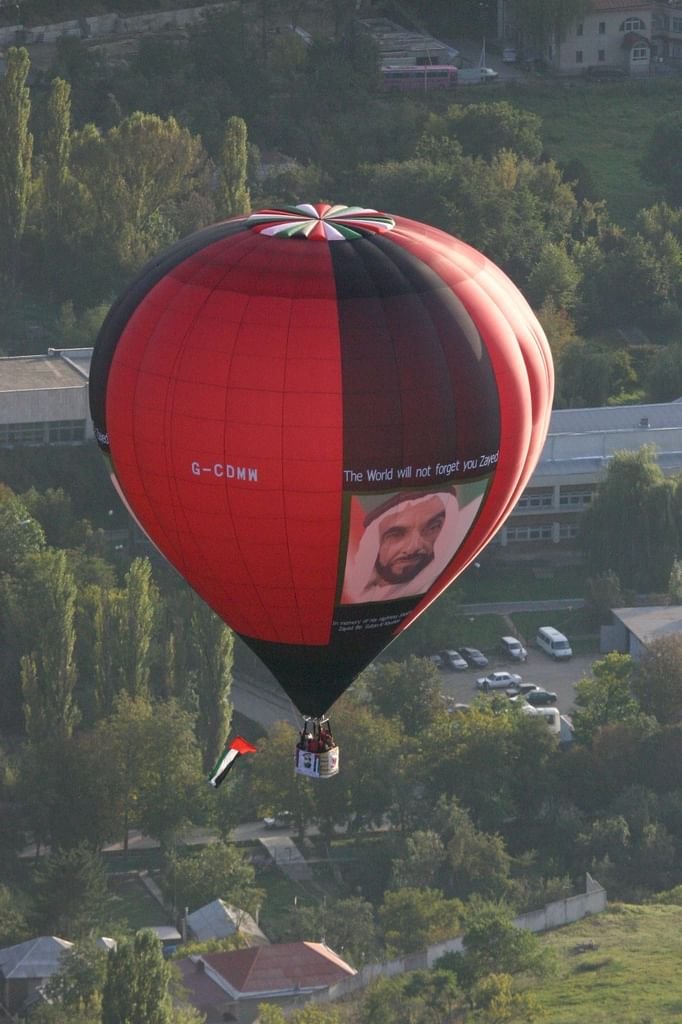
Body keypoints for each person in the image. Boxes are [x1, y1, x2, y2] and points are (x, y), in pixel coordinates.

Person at [341, 487, 482, 604]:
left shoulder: (432, 573)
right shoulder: (351, 590)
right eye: (396, 534)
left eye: (432, 528)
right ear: (373, 543)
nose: (414, 547)